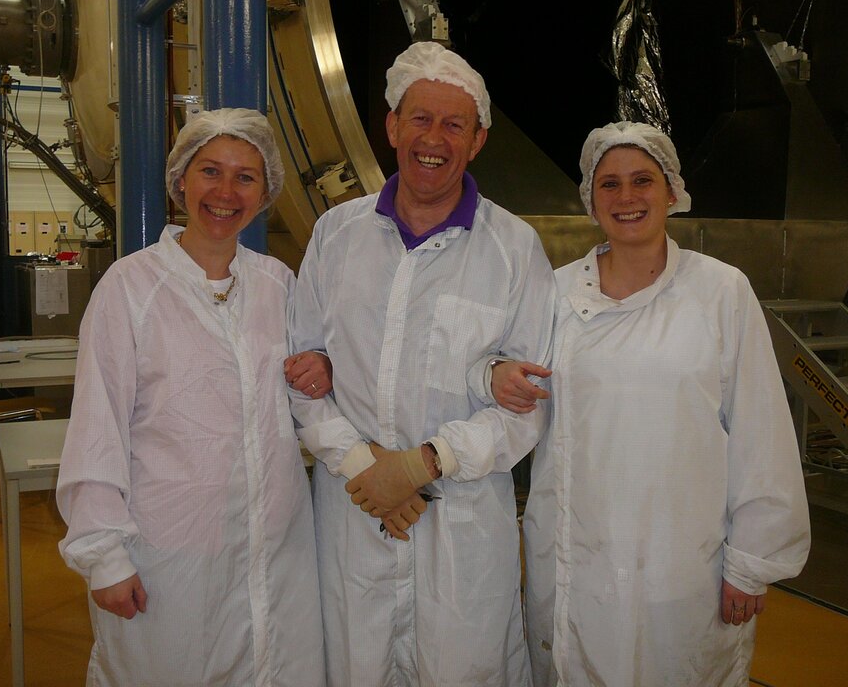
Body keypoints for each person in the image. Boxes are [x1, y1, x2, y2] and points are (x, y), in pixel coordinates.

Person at [485, 121, 811, 686]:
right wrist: (494, 374)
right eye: (609, 184)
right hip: (575, 556)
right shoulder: (554, 294)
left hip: (683, 564)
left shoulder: (720, 291)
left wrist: (753, 561)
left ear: (671, 191)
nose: (627, 197)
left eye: (642, 180)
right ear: (590, 200)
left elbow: (762, 431)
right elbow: (512, 388)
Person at [288, 40, 555, 687]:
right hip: (354, 517)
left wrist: (420, 464)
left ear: (479, 139)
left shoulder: (514, 250)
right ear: (391, 126)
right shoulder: (337, 237)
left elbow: (527, 408)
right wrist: (363, 467)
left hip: (459, 532)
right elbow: (299, 376)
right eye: (420, 119)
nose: (434, 138)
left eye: (454, 124)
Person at [57, 108, 329, 687]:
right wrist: (103, 555)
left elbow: (308, 395)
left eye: (245, 177)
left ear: (265, 191)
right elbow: (96, 430)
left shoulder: (278, 284)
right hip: (170, 559)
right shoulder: (130, 289)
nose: (225, 192)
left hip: (275, 553)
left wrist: (322, 370)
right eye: (211, 171)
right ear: (181, 179)